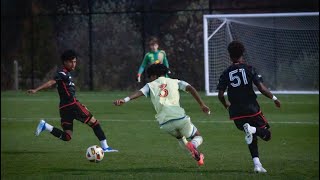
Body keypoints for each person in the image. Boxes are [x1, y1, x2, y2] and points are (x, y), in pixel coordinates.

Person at [114, 64, 210, 166]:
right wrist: (202, 105)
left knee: (180, 137)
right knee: (197, 137)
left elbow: (139, 93)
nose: (150, 79)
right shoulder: (175, 81)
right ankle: (194, 145)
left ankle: (198, 157)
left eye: (150, 77)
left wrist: (124, 100)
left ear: (154, 76)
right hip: (180, 118)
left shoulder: (150, 85)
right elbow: (190, 88)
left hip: (165, 124)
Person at [27, 49, 118, 153]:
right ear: (65, 62)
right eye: (71, 62)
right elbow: (51, 82)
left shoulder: (67, 75)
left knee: (67, 136)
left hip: (64, 107)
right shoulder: (62, 73)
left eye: (75, 61)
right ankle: (105, 147)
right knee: (95, 123)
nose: (74, 64)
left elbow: (68, 93)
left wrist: (80, 104)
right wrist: (36, 89)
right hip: (72, 105)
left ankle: (45, 126)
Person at [217, 41, 281, 173]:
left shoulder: (226, 72)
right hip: (251, 109)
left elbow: (220, 94)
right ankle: (251, 129)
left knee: (251, 136)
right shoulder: (249, 68)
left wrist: (225, 105)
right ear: (242, 54)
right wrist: (274, 98)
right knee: (267, 135)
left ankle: (257, 165)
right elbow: (261, 88)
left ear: (230, 56)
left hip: (236, 113)